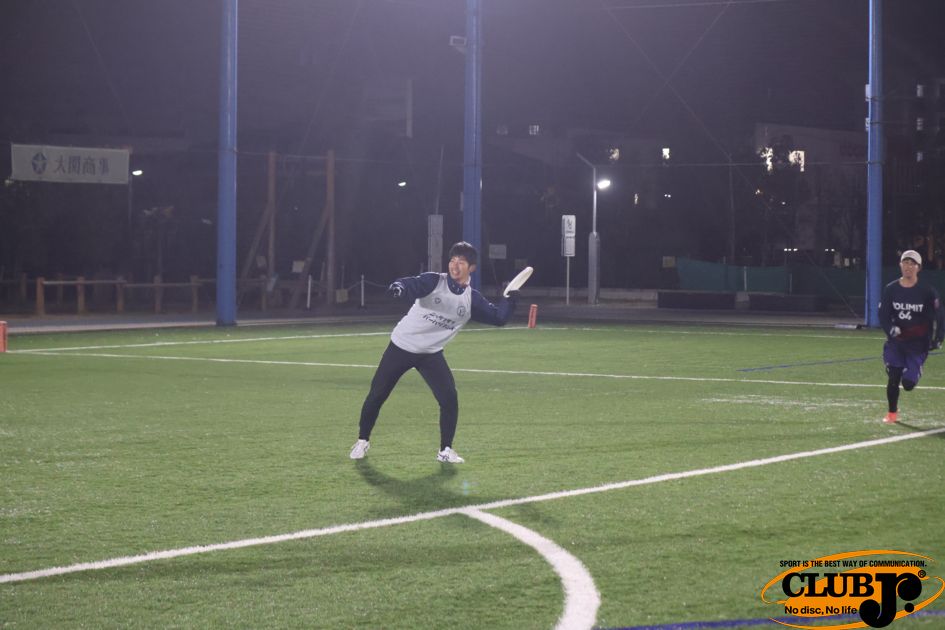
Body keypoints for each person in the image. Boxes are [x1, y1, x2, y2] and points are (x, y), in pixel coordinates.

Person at [350, 242, 518, 463]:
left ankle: (445, 450)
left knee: (449, 399)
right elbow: (411, 284)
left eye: (461, 262)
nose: (454, 266)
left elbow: (499, 318)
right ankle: (362, 441)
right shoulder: (434, 281)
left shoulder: (471, 300)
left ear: (472, 268)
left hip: (430, 354)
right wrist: (399, 286)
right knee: (377, 395)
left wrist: (510, 299)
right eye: (452, 260)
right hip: (401, 346)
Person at [878, 249, 944, 424]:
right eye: (905, 263)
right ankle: (892, 413)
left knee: (908, 385)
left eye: (912, 264)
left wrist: (938, 338)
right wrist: (890, 329)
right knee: (893, 377)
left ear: (919, 268)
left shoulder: (927, 291)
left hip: (918, 344)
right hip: (896, 343)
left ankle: (915, 370)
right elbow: (883, 315)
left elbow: (940, 315)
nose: (908, 266)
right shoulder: (891, 289)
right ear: (900, 265)